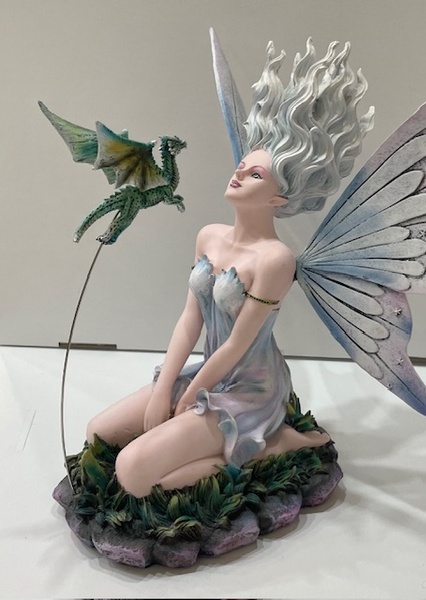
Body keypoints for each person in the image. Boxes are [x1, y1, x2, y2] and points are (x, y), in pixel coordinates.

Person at [86, 39, 374, 498]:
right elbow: (190, 319)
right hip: (208, 371)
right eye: (242, 166)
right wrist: (164, 390)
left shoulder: (276, 259)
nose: (238, 174)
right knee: (98, 434)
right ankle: (225, 445)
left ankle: (271, 444)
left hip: (248, 388)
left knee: (134, 474)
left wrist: (188, 399)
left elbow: (239, 343)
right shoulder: (209, 235)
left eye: (256, 175)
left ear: (279, 198)